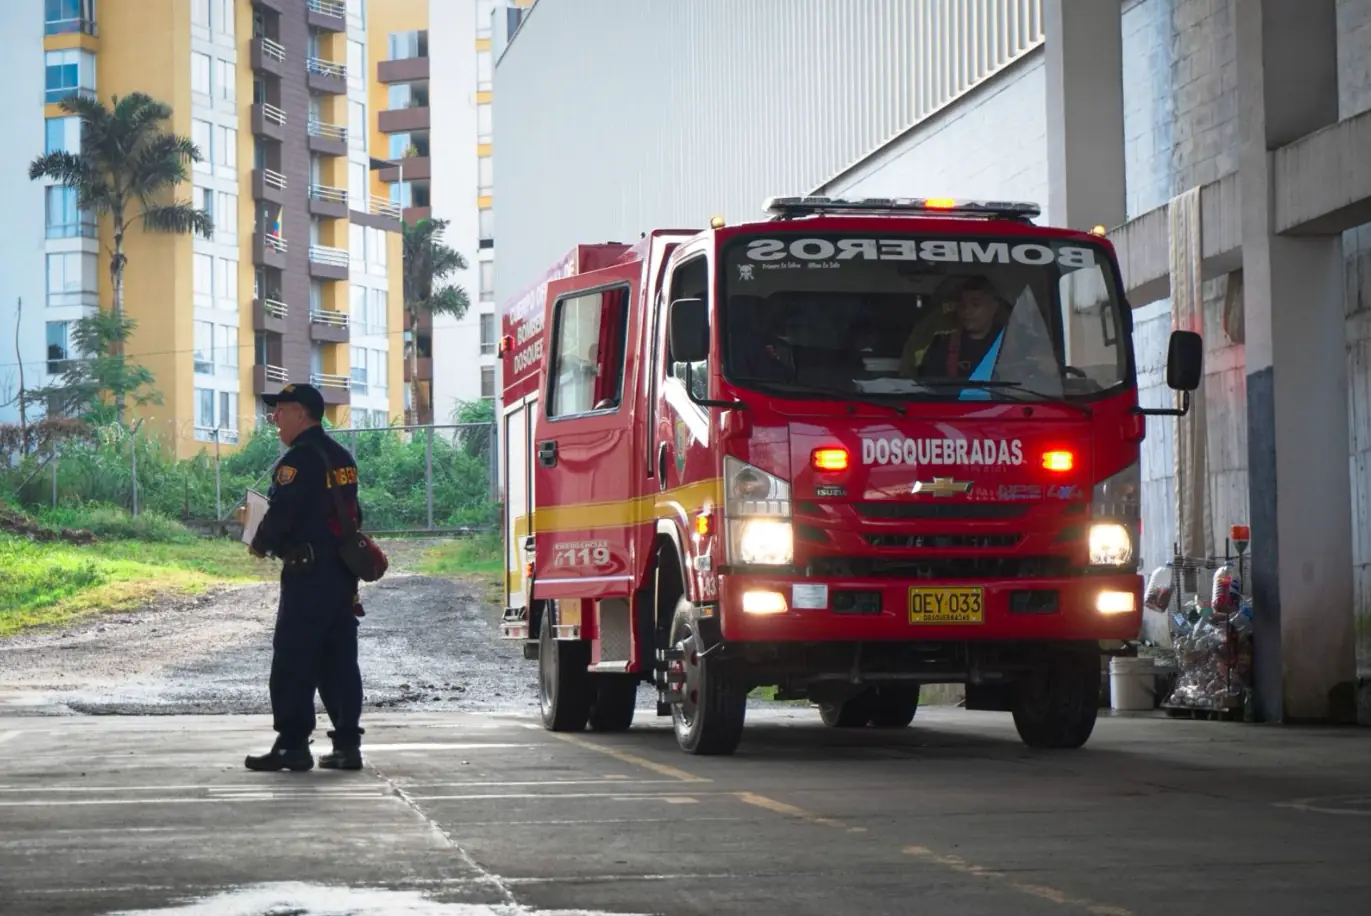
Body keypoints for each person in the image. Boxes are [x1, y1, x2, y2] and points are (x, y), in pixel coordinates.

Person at [244, 383, 366, 773]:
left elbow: (281, 517)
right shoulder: (341, 456)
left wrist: (258, 540)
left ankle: (293, 745)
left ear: (300, 413)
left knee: (294, 659)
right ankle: (347, 745)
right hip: (341, 574)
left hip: (308, 575)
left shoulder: (297, 462)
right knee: (339, 659)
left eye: (280, 411)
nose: (275, 419)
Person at [905, 277, 1010, 379]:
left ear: (994, 307)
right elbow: (930, 385)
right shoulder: (941, 344)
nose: (967, 311)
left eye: (975, 305)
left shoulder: (1009, 344)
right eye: (963, 305)